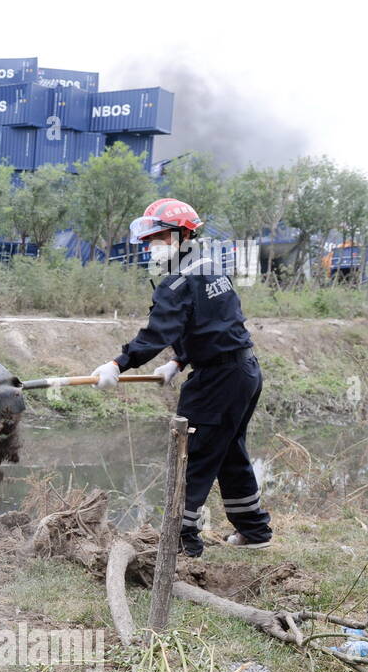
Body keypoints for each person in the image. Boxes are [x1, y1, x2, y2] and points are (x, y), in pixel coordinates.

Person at [90, 198, 273, 557]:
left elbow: (158, 331)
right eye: (148, 239)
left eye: (156, 238)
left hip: (218, 381)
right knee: (229, 452)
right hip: (243, 372)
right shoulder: (209, 267)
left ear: (180, 236)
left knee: (193, 455)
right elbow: (212, 325)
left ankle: (180, 538)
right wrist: (178, 361)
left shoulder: (177, 282)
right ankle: (254, 530)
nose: (149, 246)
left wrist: (117, 364)